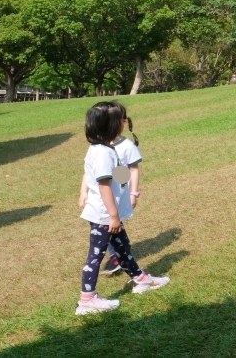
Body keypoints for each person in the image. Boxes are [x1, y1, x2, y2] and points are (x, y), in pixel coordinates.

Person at [76, 101, 169, 315]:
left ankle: (141, 279)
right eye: (119, 120)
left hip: (107, 214)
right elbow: (103, 185)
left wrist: (128, 190)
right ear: (111, 126)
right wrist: (113, 216)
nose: (123, 123)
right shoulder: (102, 153)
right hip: (104, 216)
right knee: (95, 256)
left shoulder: (104, 149)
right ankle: (86, 300)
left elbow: (116, 178)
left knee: (122, 247)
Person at [80, 117, 142, 276]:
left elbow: (130, 171)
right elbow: (91, 175)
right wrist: (83, 192)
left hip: (113, 201)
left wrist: (132, 193)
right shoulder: (99, 150)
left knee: (119, 238)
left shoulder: (125, 146)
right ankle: (117, 260)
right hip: (104, 205)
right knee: (106, 241)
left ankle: (138, 277)